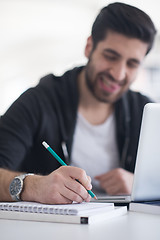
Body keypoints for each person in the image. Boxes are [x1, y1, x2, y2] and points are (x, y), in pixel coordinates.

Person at [0, 2, 157, 204]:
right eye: (110, 56)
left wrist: (141, 184)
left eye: (132, 64)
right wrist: (32, 186)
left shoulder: (144, 111)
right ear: (89, 46)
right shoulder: (38, 101)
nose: (118, 74)